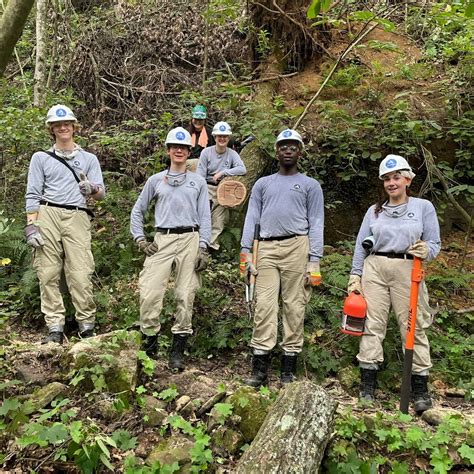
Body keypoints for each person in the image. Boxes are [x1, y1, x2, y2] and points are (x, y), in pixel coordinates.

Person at [347, 154, 441, 413]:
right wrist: (355, 277)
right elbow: (360, 245)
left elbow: (434, 244)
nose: (391, 183)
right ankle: (367, 388)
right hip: (375, 268)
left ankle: (420, 391)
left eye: (396, 177)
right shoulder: (374, 211)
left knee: (413, 326)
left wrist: (426, 250)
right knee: (371, 325)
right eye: (387, 179)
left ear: (407, 179)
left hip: (408, 268)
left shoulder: (423, 207)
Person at [240, 129, 324, 387]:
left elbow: (317, 222)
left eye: (293, 146)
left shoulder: (310, 185)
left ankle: (289, 368)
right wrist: (245, 253)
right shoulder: (263, 184)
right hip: (265, 247)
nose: (288, 150)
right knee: (264, 305)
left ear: (300, 152)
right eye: (283, 146)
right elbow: (252, 216)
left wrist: (314, 260)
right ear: (276, 152)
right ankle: (260, 369)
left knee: (294, 305)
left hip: (297, 246)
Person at [130, 127, 211, 371]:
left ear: (189, 152)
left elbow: (205, 217)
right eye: (175, 147)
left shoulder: (197, 181)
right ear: (168, 150)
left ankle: (177, 351)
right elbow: (138, 210)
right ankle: (149, 347)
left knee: (185, 295)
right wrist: (140, 240)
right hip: (162, 239)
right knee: (150, 292)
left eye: (184, 147)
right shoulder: (155, 180)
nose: (179, 151)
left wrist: (204, 248)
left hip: (190, 238)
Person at [25, 104, 105, 344]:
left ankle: (87, 325)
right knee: (47, 272)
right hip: (47, 213)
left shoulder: (88, 158)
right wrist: (32, 225)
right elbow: (33, 193)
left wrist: (91, 188)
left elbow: (102, 194)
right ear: (51, 128)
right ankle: (55, 326)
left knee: (80, 272)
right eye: (58, 124)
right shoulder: (40, 158)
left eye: (67, 123)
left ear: (74, 126)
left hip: (77, 215)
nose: (63, 127)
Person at [197, 121, 247, 251]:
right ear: (214, 137)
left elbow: (242, 169)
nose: (222, 139)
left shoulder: (231, 154)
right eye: (219, 136)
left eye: (225, 136)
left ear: (228, 138)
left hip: (222, 189)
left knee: (219, 220)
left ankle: (210, 249)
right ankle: (198, 245)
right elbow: (200, 176)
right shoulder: (206, 153)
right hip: (207, 187)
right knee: (204, 216)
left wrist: (224, 172)